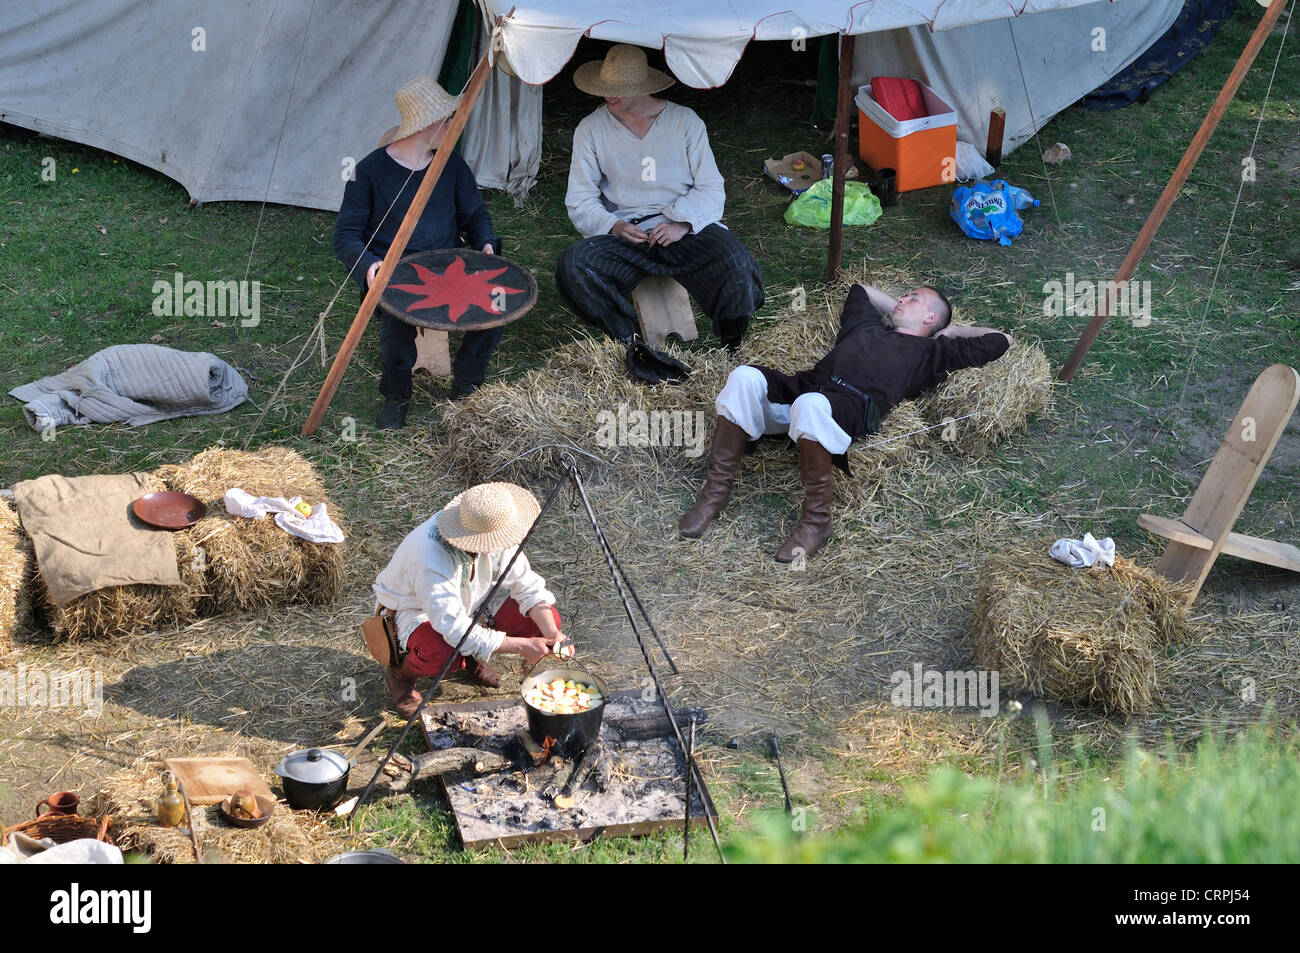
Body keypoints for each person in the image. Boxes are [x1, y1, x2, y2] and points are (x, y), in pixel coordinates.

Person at [679, 283, 1013, 561]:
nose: (901, 298)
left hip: (851, 406)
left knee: (811, 406)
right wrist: (905, 309)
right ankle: (714, 493)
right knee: (744, 377)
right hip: (807, 387)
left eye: (913, 298)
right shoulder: (863, 327)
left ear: (931, 316)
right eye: (903, 294)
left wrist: (951, 331)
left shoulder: (933, 355)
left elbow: (1001, 340)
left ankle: (817, 522)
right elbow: (861, 290)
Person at [555, 44, 764, 349]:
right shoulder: (591, 129)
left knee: (736, 263)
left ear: (641, 87)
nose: (608, 96)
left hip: (682, 230)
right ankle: (626, 337)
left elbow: (711, 187)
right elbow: (580, 197)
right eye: (605, 89)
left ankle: (731, 341)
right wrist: (613, 225)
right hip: (629, 236)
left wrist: (682, 223)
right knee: (574, 265)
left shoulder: (685, 122)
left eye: (619, 90)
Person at [334, 76, 502, 429]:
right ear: (426, 126)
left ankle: (466, 391)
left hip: (447, 264)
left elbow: (475, 214)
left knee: (494, 307)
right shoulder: (369, 172)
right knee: (398, 322)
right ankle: (396, 395)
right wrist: (370, 266)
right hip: (394, 270)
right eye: (446, 120)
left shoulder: (451, 165)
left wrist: (485, 242)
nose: (453, 126)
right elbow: (346, 235)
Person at [372, 482, 568, 717]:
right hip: (411, 608)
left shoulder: (492, 524)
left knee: (544, 619)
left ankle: (472, 653)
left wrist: (552, 634)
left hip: (472, 599)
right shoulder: (429, 555)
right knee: (446, 652)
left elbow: (527, 585)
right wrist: (521, 646)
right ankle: (400, 675)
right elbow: (452, 626)